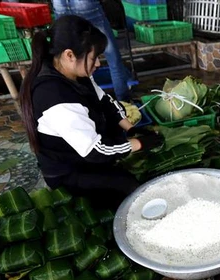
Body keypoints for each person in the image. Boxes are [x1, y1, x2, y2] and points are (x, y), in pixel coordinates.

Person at [19, 15, 163, 209]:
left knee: (130, 166)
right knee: (128, 186)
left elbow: (105, 101)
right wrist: (139, 144)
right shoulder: (55, 98)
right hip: (70, 170)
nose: (98, 64)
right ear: (69, 55)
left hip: (84, 155)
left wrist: (130, 130)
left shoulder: (72, 72)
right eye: (94, 57)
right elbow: (95, 151)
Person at [52, 0, 132, 102]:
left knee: (71, 62)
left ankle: (83, 102)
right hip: (84, 5)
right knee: (113, 60)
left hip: (60, 4)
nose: (97, 63)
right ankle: (124, 102)